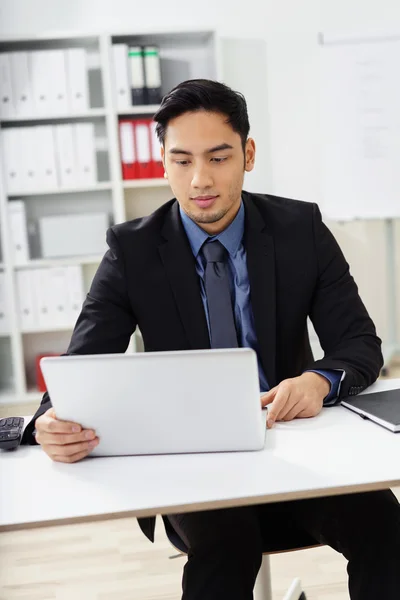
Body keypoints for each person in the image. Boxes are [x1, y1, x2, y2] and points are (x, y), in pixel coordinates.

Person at [22, 79, 400, 600]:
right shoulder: (131, 251)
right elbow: (81, 365)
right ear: (162, 162)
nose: (200, 180)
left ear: (247, 154)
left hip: (294, 445)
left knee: (387, 532)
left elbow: (360, 344)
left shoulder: (300, 229)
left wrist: (317, 380)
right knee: (226, 551)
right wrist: (50, 420)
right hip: (191, 463)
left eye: (219, 158)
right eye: (181, 161)